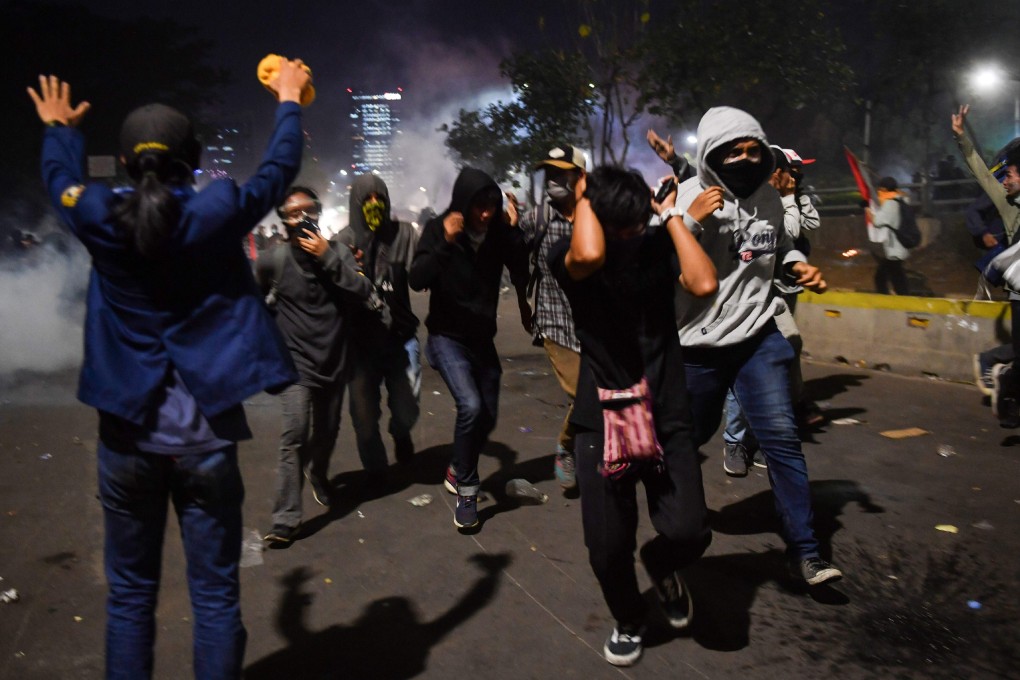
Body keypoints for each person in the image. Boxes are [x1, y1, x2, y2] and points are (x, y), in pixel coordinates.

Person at [29, 61, 309, 679]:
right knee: (213, 601)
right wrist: (288, 100)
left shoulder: (98, 213)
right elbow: (276, 171)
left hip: (127, 441)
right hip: (205, 442)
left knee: (130, 601)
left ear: (127, 164)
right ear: (195, 158)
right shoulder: (215, 211)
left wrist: (59, 131)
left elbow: (58, 180)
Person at [549, 165, 716, 667]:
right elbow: (592, 252)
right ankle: (629, 617)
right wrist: (583, 195)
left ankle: (661, 565)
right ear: (595, 216)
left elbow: (704, 282)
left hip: (666, 414)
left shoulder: (657, 244)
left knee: (689, 530)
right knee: (606, 548)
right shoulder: (570, 256)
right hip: (602, 424)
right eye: (619, 225)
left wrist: (669, 217)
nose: (628, 237)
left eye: (634, 225)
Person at [673, 106, 842, 587]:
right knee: (687, 438)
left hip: (757, 335)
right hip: (696, 344)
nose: (746, 159)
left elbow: (775, 246)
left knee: (782, 438)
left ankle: (807, 552)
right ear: (712, 155)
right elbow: (657, 261)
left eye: (753, 149)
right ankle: (682, 528)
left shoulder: (769, 197)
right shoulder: (688, 198)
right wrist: (687, 222)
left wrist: (794, 266)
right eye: (734, 151)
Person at [408, 167, 531, 531]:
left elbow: (520, 262)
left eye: (491, 205)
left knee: (487, 416)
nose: (485, 213)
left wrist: (514, 228)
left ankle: (457, 465)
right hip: (446, 337)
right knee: (471, 405)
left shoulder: (496, 231)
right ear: (464, 203)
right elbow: (417, 279)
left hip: (482, 339)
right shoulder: (438, 228)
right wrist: (446, 242)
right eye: (479, 206)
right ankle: (467, 488)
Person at [257, 186, 372, 543]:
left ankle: (318, 472)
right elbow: (252, 300)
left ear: (319, 213)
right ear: (283, 221)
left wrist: (327, 257)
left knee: (327, 431)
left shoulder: (338, 252)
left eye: (309, 211)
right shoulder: (272, 260)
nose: (302, 218)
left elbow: (361, 291)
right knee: (294, 435)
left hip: (334, 359)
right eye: (293, 213)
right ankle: (286, 519)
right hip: (296, 364)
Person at [721, 145, 823, 474]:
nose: (790, 177)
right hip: (741, 302)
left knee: (779, 357)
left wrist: (799, 267)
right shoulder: (748, 202)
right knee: (741, 370)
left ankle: (767, 436)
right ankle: (735, 441)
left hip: (773, 298)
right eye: (785, 171)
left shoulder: (775, 203)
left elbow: (789, 242)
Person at [334, 174, 421, 485]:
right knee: (364, 415)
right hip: (361, 343)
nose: (374, 204)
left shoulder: (405, 234)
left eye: (379, 198)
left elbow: (424, 269)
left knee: (407, 405)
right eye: (367, 199)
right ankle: (376, 469)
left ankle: (401, 432)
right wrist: (349, 269)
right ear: (356, 204)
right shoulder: (343, 241)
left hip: (400, 336)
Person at [517, 144, 586, 490]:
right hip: (555, 321)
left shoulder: (596, 216)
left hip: (594, 324)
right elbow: (514, 259)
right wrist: (521, 303)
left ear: (580, 177)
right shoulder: (537, 218)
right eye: (549, 174)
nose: (553, 181)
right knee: (585, 394)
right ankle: (566, 448)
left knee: (602, 393)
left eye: (561, 173)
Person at [954, 105, 1020, 426]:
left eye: (1010, 174)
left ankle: (1006, 379)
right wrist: (962, 138)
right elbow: (983, 173)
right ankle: (1006, 383)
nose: (1004, 180)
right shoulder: (1008, 207)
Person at [867, 175, 911, 295]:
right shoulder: (902, 200)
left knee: (881, 278)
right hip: (902, 245)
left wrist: (866, 208)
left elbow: (877, 222)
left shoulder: (890, 204)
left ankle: (891, 301)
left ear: (885, 189)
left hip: (894, 248)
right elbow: (905, 196)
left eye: (880, 189)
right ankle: (903, 299)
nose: (879, 192)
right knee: (897, 276)